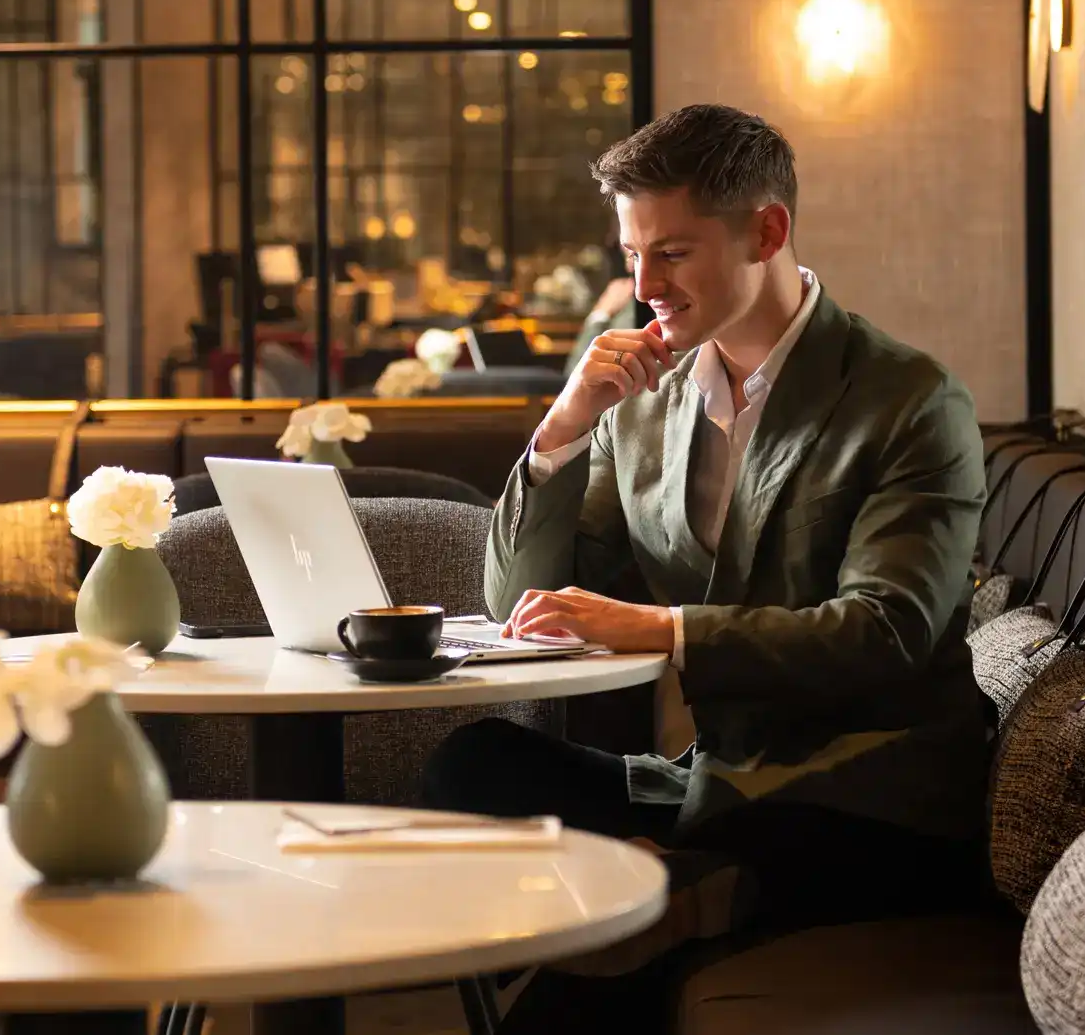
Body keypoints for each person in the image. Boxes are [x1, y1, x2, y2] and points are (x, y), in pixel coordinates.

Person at [424, 104, 993, 1031]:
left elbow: (889, 631)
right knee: (472, 765)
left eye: (673, 253)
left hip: (870, 798)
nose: (643, 283)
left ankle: (670, 900)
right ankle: (676, 888)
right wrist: (561, 429)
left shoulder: (908, 400)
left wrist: (665, 630)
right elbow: (517, 599)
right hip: (714, 783)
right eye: (631, 253)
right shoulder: (639, 407)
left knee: (580, 1006)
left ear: (766, 230)